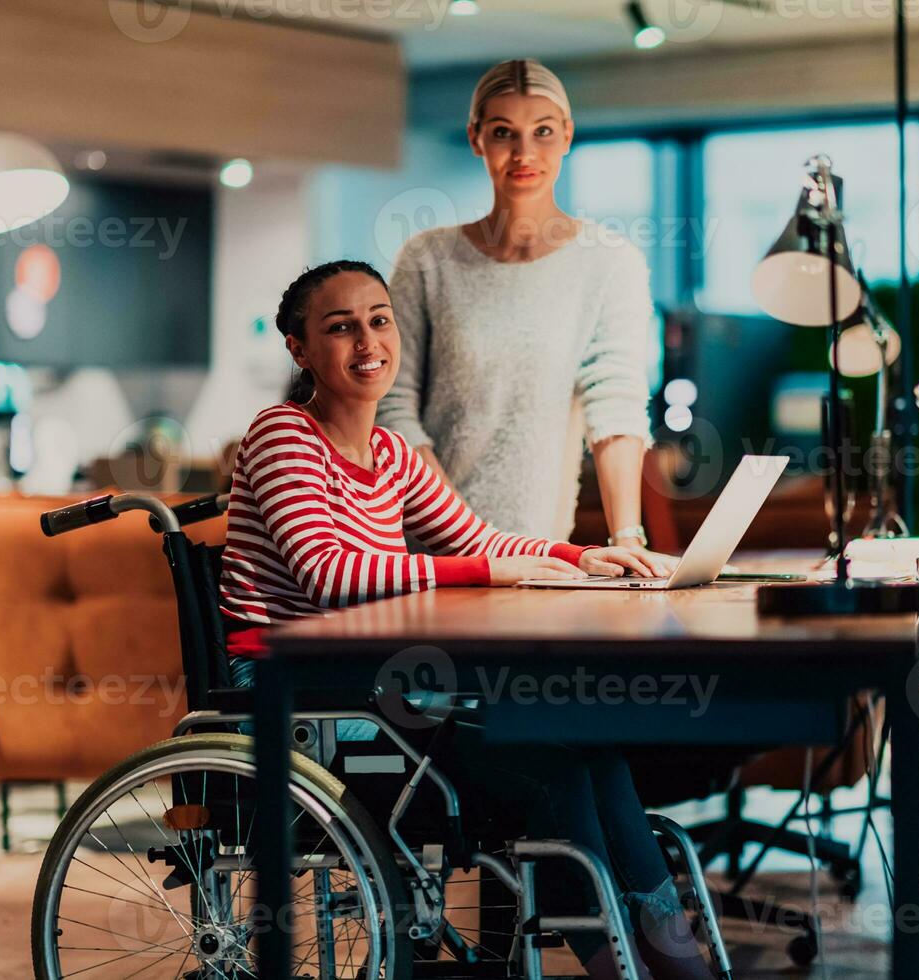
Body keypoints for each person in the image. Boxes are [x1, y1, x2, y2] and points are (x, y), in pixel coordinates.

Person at [218, 260, 714, 980]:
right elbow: (328, 574)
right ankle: (632, 972)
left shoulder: (387, 452)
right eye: (340, 327)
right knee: (551, 773)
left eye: (378, 320)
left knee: (591, 747)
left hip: (374, 689)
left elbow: (477, 539)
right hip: (299, 701)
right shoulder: (282, 435)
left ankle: (677, 969)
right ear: (298, 349)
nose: (368, 341)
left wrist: (578, 555)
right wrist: (489, 571)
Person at [379, 58, 657, 555]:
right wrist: (467, 539)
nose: (524, 152)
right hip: (425, 549)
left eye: (543, 131)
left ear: (567, 136)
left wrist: (628, 537)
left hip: (539, 549)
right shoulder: (426, 259)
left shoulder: (611, 262)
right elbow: (392, 407)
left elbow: (614, 404)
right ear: (475, 138)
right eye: (504, 132)